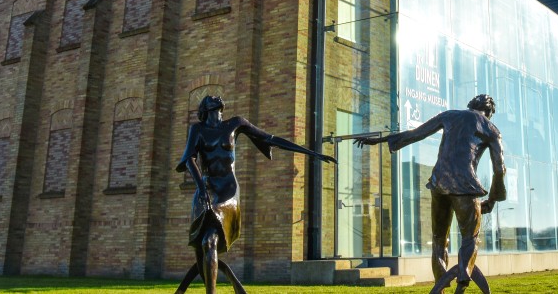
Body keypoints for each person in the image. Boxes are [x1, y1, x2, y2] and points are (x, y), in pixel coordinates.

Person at [175, 95, 336, 294]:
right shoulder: (197, 129)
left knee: (209, 241)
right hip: (206, 189)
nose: (216, 97)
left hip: (227, 190)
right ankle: (211, 284)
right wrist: (200, 188)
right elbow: (190, 159)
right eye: (211, 98)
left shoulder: (235, 124)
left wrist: (313, 153)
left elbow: (270, 138)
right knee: (204, 247)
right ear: (204, 107)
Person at [356, 94, 506, 294]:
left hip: (439, 183)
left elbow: (416, 133)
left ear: (471, 105)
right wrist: (494, 199)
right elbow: (499, 169)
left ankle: (441, 287)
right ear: (489, 113)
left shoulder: (450, 115)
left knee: (438, 240)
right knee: (470, 238)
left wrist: (381, 140)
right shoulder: (490, 129)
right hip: (465, 186)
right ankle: (462, 280)